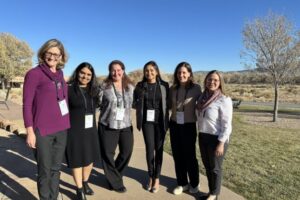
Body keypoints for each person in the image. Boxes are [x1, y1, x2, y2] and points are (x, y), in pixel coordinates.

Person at [23, 39, 70, 200]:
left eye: (56, 54)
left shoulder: (60, 74)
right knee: (44, 170)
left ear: (61, 56)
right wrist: (30, 131)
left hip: (62, 129)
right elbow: (27, 104)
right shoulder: (34, 74)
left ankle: (54, 197)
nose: (52, 57)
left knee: (56, 169)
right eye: (49, 53)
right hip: (42, 131)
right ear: (43, 53)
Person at [98, 60, 134, 193]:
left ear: (123, 71)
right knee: (108, 154)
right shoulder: (104, 86)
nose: (116, 72)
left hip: (126, 125)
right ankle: (116, 182)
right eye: (113, 70)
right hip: (108, 124)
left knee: (126, 152)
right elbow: (97, 104)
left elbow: (135, 103)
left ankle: (113, 177)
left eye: (119, 70)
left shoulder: (130, 87)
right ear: (109, 72)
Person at [133, 61, 169, 193]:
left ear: (157, 71)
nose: (149, 73)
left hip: (160, 122)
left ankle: (157, 177)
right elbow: (134, 102)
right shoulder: (140, 86)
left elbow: (169, 103)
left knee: (159, 150)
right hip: (147, 122)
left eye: (152, 70)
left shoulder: (164, 86)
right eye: (146, 70)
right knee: (149, 149)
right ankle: (150, 176)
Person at [66, 62, 100, 200]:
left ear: (92, 77)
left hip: (90, 129)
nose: (85, 77)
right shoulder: (69, 89)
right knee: (77, 160)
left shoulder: (94, 90)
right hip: (74, 131)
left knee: (89, 159)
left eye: (89, 75)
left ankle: (85, 182)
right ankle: (79, 189)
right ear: (77, 72)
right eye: (83, 73)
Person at [197, 70, 233, 200]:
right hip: (203, 136)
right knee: (207, 166)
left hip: (217, 138)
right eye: (209, 79)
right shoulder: (202, 97)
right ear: (205, 81)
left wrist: (221, 143)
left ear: (220, 82)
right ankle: (211, 192)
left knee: (215, 168)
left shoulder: (224, 99)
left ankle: (214, 194)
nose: (211, 82)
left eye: (215, 80)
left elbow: (227, 124)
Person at [169, 62, 202, 195]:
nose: (181, 75)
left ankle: (194, 183)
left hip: (188, 126)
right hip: (175, 125)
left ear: (189, 74)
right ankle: (182, 183)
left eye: (184, 72)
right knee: (177, 155)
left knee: (190, 156)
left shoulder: (196, 88)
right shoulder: (173, 89)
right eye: (179, 72)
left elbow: (203, 104)